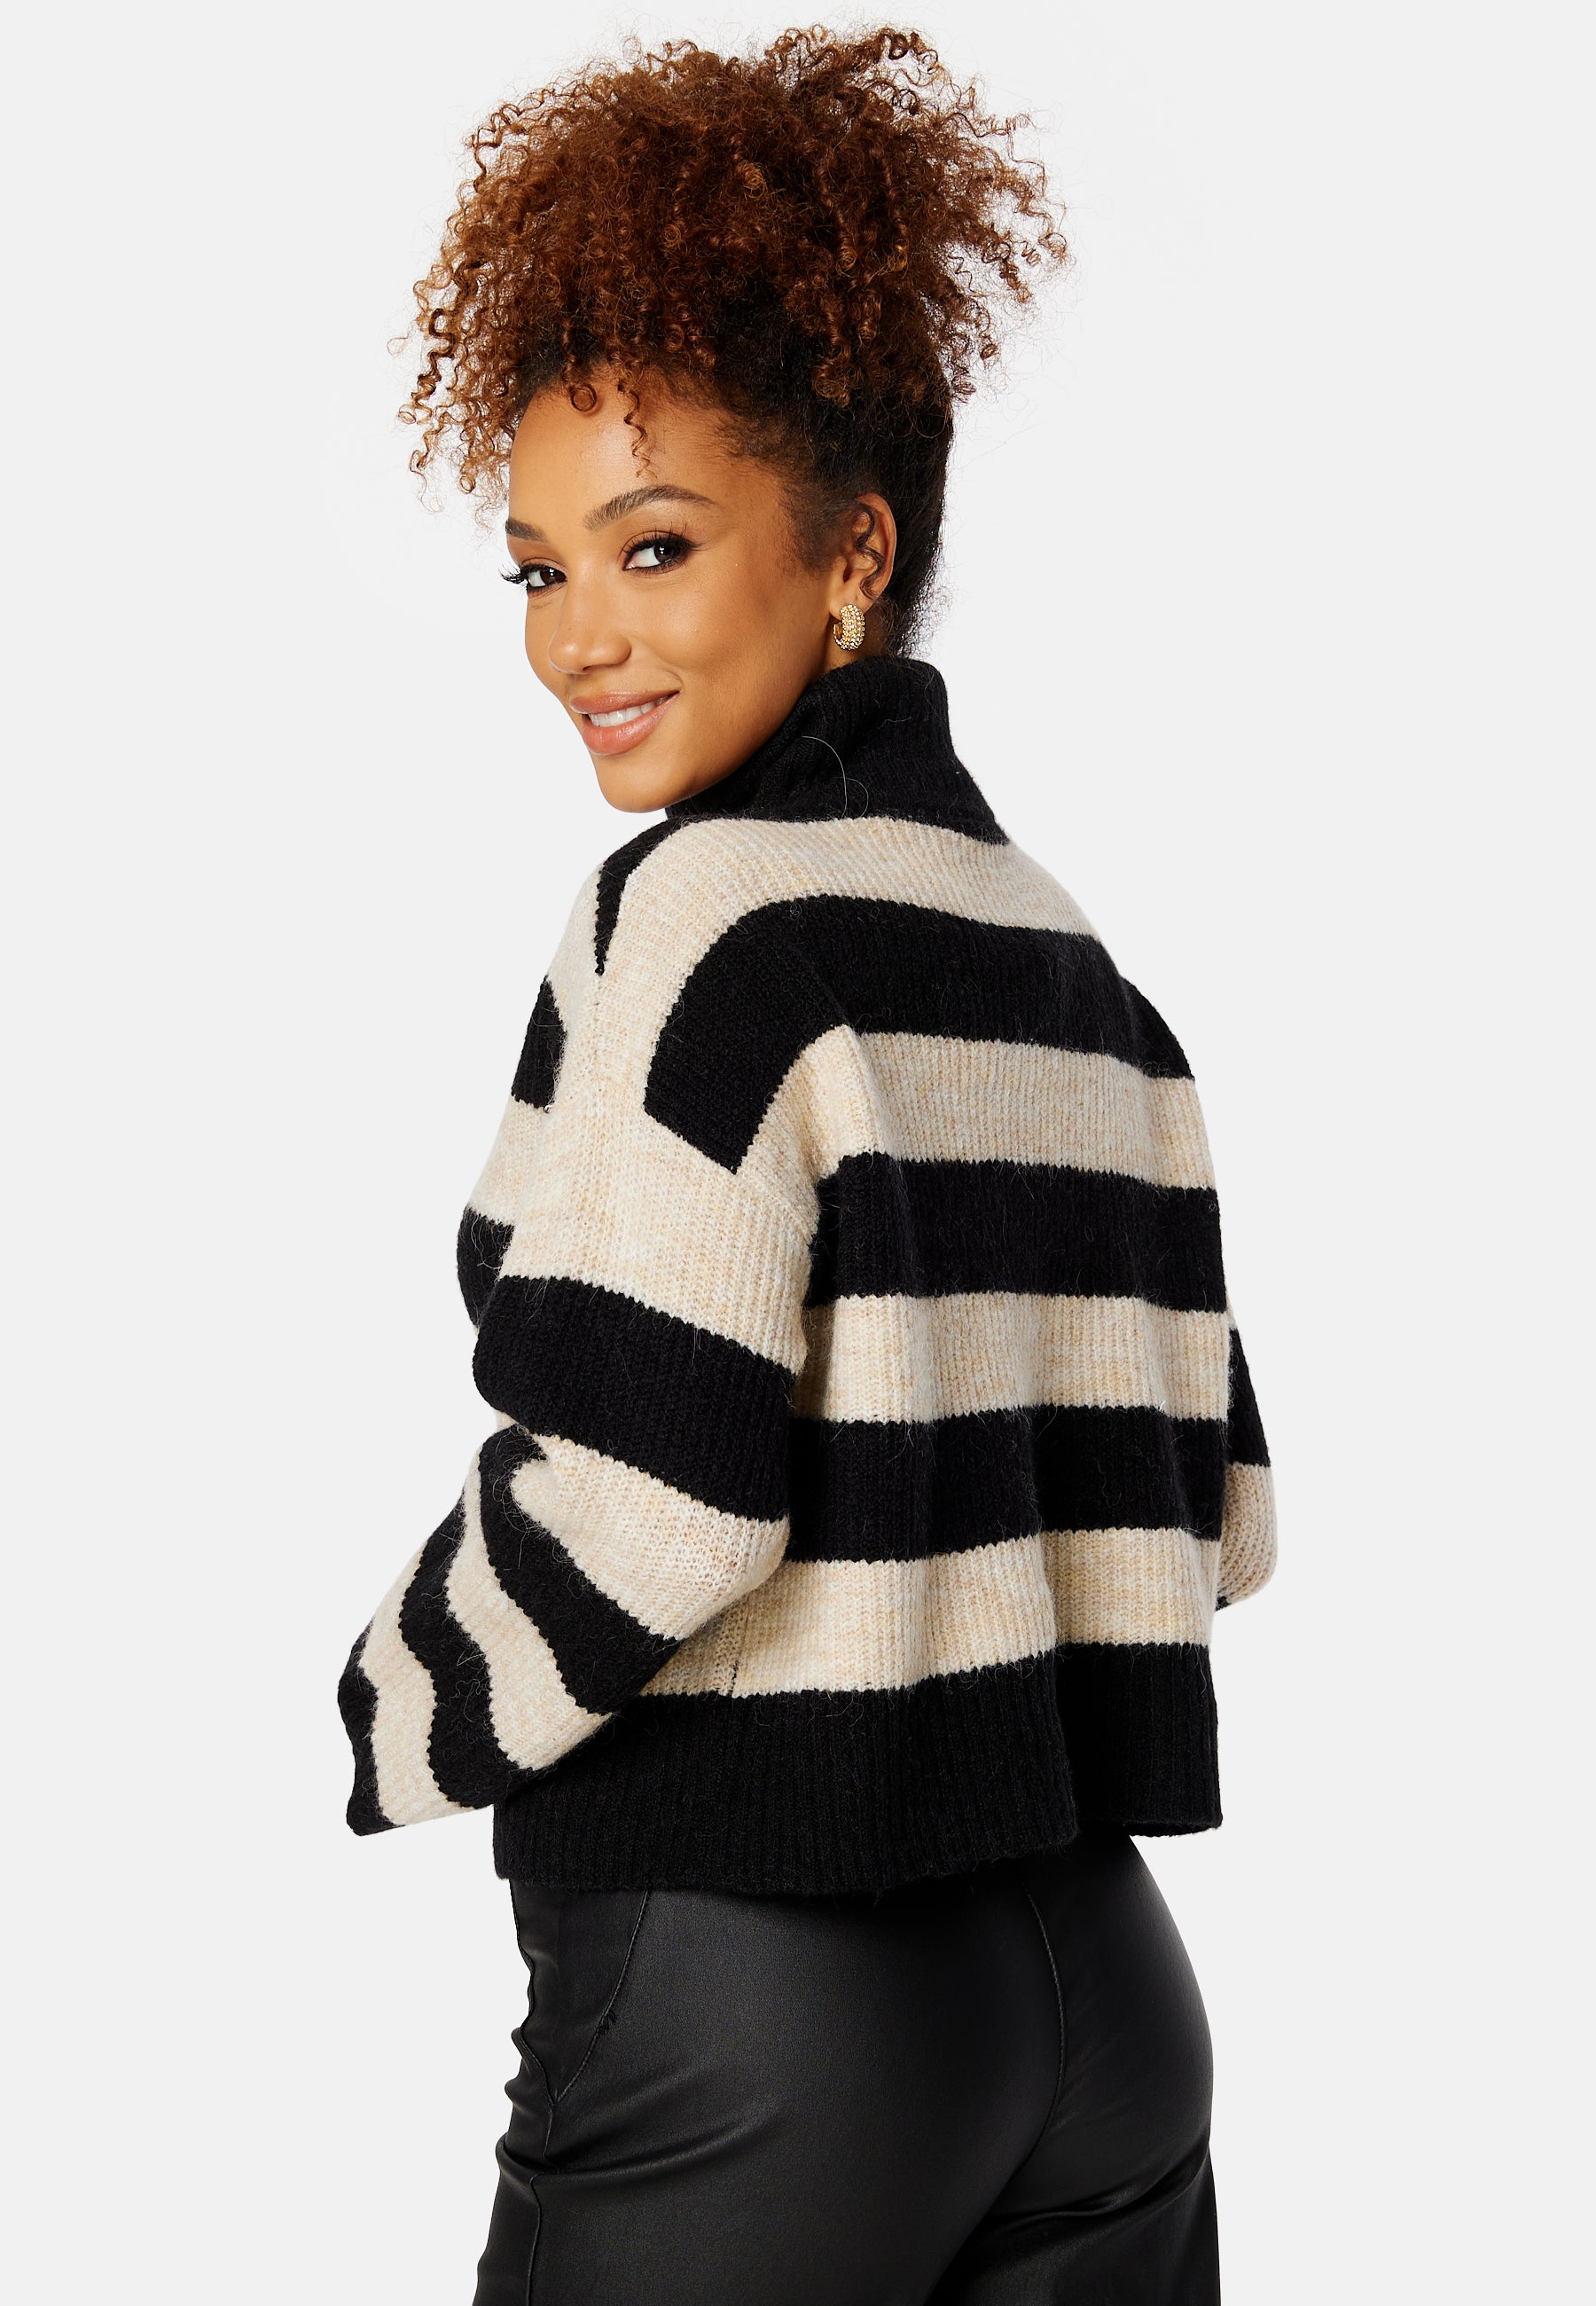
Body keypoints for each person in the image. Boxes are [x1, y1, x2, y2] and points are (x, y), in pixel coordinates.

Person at [337, 27, 1277, 2303]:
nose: (579, 635)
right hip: (1104, 1995)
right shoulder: (1074, 965)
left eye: (653, 547)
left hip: (765, 2002)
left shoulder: (702, 923)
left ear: (856, 552)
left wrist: (403, 1692)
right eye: (536, 568)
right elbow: (1221, 1515)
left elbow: (655, 1499)